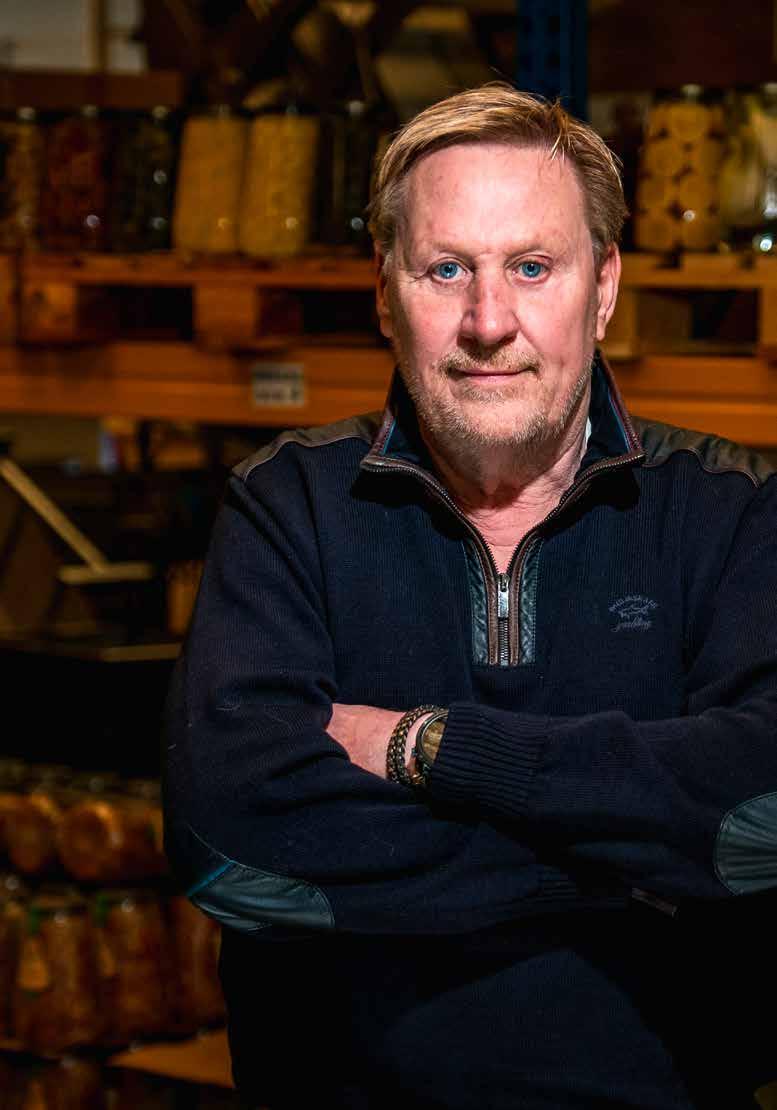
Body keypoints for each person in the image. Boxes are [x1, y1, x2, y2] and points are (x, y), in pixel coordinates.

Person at [163, 84, 777, 1109]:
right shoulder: (289, 505)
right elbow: (235, 855)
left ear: (604, 286)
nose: (489, 322)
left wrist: (432, 748)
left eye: (532, 267)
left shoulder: (731, 512)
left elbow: (759, 820)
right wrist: (630, 863)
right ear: (384, 292)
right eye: (446, 269)